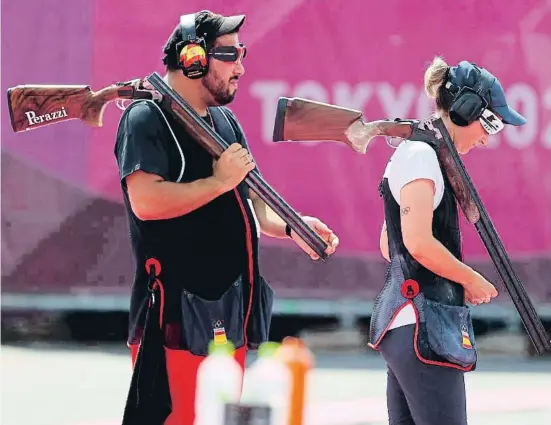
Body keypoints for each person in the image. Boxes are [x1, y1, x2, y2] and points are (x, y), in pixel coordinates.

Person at [113, 10, 339, 425]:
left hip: (229, 311)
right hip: (174, 318)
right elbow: (146, 201)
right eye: (231, 54)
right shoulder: (146, 117)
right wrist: (218, 181)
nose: (242, 66)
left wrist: (292, 227)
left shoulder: (224, 122)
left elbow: (250, 202)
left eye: (241, 53)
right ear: (194, 58)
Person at [367, 57, 527, 425]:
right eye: (489, 122)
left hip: (410, 324)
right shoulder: (422, 156)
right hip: (422, 324)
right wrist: (467, 278)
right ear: (465, 109)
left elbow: (390, 245)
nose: (488, 137)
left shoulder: (420, 154)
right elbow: (418, 243)